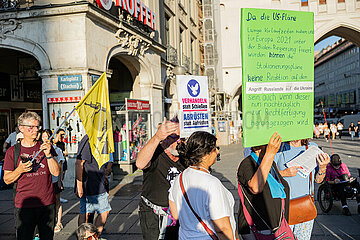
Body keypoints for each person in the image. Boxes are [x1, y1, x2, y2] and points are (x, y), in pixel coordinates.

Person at [3, 111, 60, 240]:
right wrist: (20, 170)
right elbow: (6, 179)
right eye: (31, 127)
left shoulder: (45, 147)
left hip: (47, 204)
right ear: (21, 128)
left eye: (37, 126)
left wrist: (49, 155)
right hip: (24, 206)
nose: (36, 130)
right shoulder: (13, 151)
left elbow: (56, 172)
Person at [169, 131, 236, 240]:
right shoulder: (211, 183)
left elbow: (175, 214)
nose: (217, 152)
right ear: (205, 155)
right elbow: (222, 228)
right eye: (214, 149)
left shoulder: (179, 178)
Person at [136, 116, 185, 240]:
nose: (179, 142)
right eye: (175, 137)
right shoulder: (156, 152)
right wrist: (157, 137)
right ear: (165, 139)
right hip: (155, 216)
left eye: (182, 137)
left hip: (180, 215)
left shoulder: (185, 155)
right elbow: (140, 164)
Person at [237, 132, 292, 240]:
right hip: (258, 228)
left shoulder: (270, 163)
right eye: (267, 144)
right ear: (256, 147)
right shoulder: (247, 164)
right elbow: (256, 187)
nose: (272, 146)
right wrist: (270, 154)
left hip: (277, 227)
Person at [274, 139, 330, 240]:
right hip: (283, 208)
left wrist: (322, 168)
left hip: (305, 206)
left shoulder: (312, 147)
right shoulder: (278, 148)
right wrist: (284, 173)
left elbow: (318, 180)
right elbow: (266, 175)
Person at [75, 135, 111, 235]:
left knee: (90, 211)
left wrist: (104, 176)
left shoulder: (100, 137)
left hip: (98, 181)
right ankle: (90, 237)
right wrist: (79, 185)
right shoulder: (88, 139)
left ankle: (89, 236)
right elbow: (79, 163)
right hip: (91, 183)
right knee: (98, 212)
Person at [41, 129, 65, 233]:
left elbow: (60, 166)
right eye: (43, 136)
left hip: (55, 180)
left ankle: (58, 222)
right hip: (44, 181)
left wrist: (59, 181)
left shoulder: (57, 150)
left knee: (57, 201)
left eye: (47, 136)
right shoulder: (39, 149)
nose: (45, 138)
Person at [53, 128, 68, 203]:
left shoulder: (62, 143)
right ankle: (58, 194)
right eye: (61, 134)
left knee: (62, 177)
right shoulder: (55, 142)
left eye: (63, 134)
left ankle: (60, 194)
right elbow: (55, 141)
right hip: (57, 161)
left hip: (63, 161)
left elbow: (66, 152)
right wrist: (58, 134)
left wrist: (64, 153)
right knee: (57, 177)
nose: (62, 136)